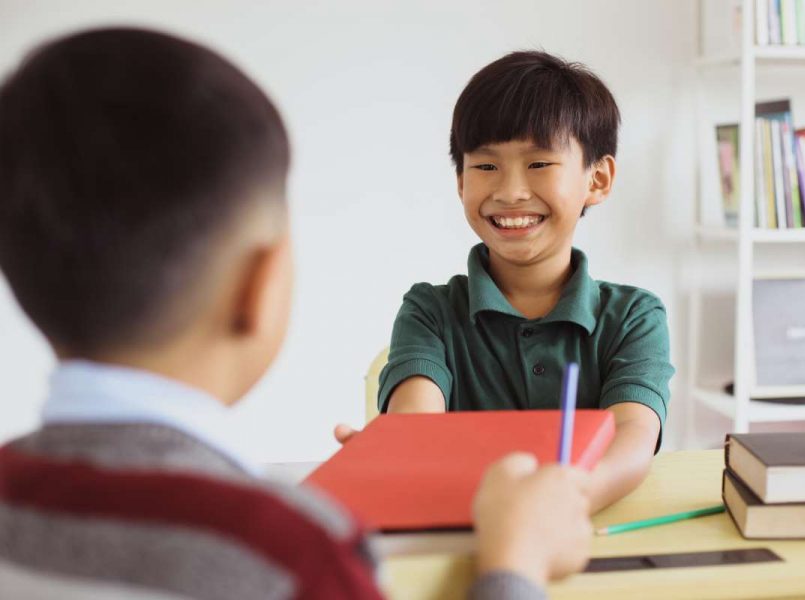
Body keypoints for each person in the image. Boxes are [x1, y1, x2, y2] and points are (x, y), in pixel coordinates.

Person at [0, 29, 592, 599]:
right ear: (258, 286)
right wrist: (515, 563)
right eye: (485, 165)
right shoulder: (293, 553)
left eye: (539, 164)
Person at [337, 51, 675, 514]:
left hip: (586, 532)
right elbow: (416, 423)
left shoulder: (635, 316)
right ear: (460, 181)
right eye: (486, 166)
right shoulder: (428, 311)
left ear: (596, 179)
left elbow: (633, 434)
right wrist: (401, 453)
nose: (510, 191)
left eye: (539, 164)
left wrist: (566, 499)